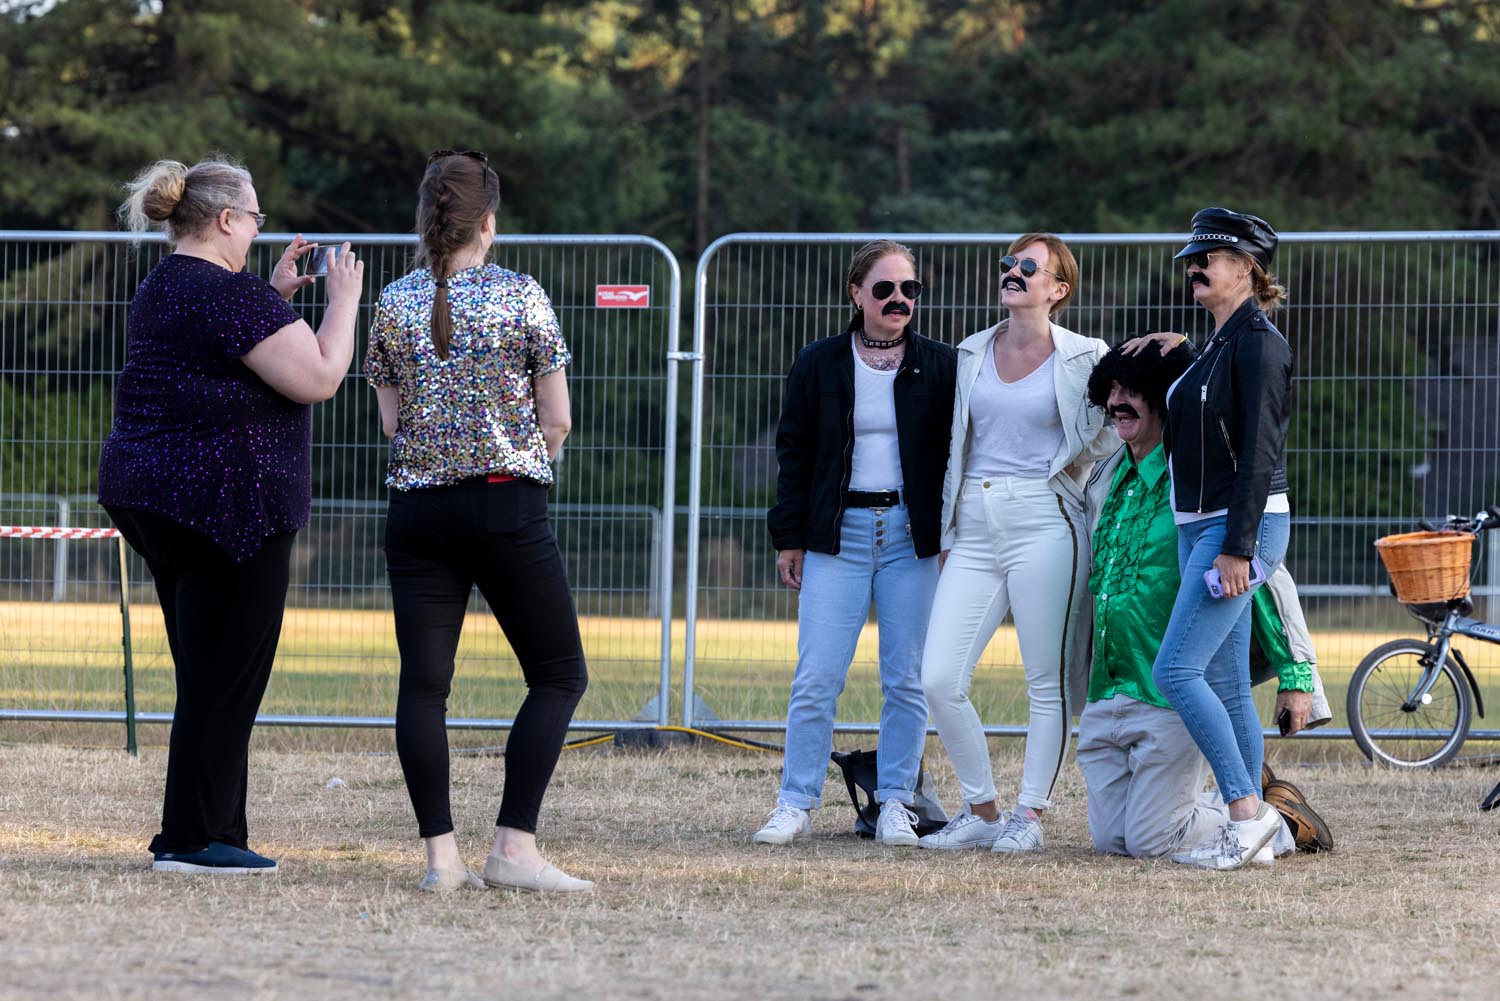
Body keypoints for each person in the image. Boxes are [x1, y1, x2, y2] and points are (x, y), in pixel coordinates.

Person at [99, 156, 363, 874]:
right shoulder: (226, 295)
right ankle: (188, 838)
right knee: (224, 679)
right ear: (224, 220)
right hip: (227, 509)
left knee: (210, 671)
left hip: (157, 498)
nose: (257, 228)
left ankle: (221, 829)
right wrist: (341, 301)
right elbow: (317, 377)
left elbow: (221, 358)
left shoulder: (168, 284)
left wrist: (274, 295)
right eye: (254, 217)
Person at [364, 150, 591, 893]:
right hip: (505, 505)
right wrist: (525, 447)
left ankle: (442, 861)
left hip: (418, 513)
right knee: (558, 673)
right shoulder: (521, 296)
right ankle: (513, 847)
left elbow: (393, 424)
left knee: (424, 687)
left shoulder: (393, 303)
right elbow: (556, 418)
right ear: (487, 223)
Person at [1079, 342, 1333, 861]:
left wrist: (1297, 676)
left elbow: (1263, 576)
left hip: (1166, 694)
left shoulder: (1194, 481)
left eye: (1134, 392)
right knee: (1113, 842)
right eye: (1111, 392)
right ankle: (1239, 789)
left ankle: (1266, 817)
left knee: (1152, 841)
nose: (1118, 403)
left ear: (1164, 400)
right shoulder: (1106, 476)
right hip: (1109, 686)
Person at [917, 234, 1117, 854]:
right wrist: (951, 528)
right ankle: (981, 810)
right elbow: (956, 444)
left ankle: (1029, 815)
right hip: (974, 521)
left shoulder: (1087, 356)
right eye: (1009, 263)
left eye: (1029, 266)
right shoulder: (971, 351)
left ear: (1058, 289)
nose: (1014, 273)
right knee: (938, 679)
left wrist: (1074, 480)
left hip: (1046, 519)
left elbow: (1117, 430)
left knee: (1046, 681)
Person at [756, 240, 957, 848]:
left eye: (910, 289)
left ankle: (896, 800)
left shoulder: (941, 364)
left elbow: (958, 454)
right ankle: (796, 802)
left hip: (910, 538)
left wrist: (948, 534)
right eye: (885, 289)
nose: (899, 300)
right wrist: (787, 537)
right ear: (856, 294)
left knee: (907, 678)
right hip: (835, 536)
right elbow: (793, 454)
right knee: (817, 675)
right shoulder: (819, 362)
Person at [1134, 207, 1297, 870]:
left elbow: (1259, 452)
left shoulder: (1259, 342)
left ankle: (1244, 814)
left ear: (1247, 270)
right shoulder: (1220, 344)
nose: (1195, 267)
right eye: (1191, 259)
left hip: (1235, 528)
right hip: (1198, 523)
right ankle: (1269, 830)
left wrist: (1239, 545)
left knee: (1175, 668)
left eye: (1211, 258)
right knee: (1228, 686)